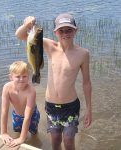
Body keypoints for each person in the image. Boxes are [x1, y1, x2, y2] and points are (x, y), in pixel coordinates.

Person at [15, 13, 92, 150]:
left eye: (69, 29)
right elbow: (20, 36)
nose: (65, 33)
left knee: (68, 141)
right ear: (55, 32)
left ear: (76, 30)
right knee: (55, 141)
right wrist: (26, 25)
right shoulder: (50, 46)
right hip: (51, 105)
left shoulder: (83, 53)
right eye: (61, 30)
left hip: (71, 106)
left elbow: (86, 83)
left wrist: (89, 109)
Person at [0, 61, 40, 147]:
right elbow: (4, 111)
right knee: (18, 132)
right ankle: (20, 138)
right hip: (17, 115)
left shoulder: (31, 91)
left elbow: (27, 116)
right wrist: (4, 132)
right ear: (11, 77)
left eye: (24, 76)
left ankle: (34, 143)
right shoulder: (7, 88)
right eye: (18, 77)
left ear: (28, 76)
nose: (21, 79)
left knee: (34, 133)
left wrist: (22, 138)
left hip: (32, 115)